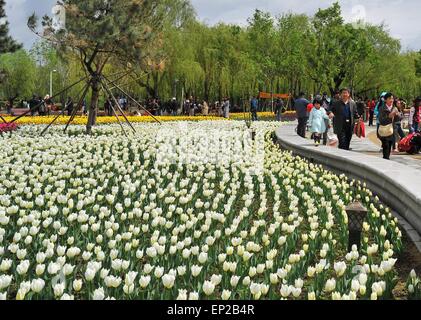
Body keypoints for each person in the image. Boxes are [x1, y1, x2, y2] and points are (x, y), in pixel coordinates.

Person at [378, 93, 399, 160]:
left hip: (392, 130)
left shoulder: (394, 108)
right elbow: (381, 120)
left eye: (392, 98)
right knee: (386, 146)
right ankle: (386, 159)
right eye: (389, 98)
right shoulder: (382, 108)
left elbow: (399, 119)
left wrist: (397, 115)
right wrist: (389, 116)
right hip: (385, 130)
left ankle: (386, 158)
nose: (391, 100)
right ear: (385, 100)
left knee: (389, 146)